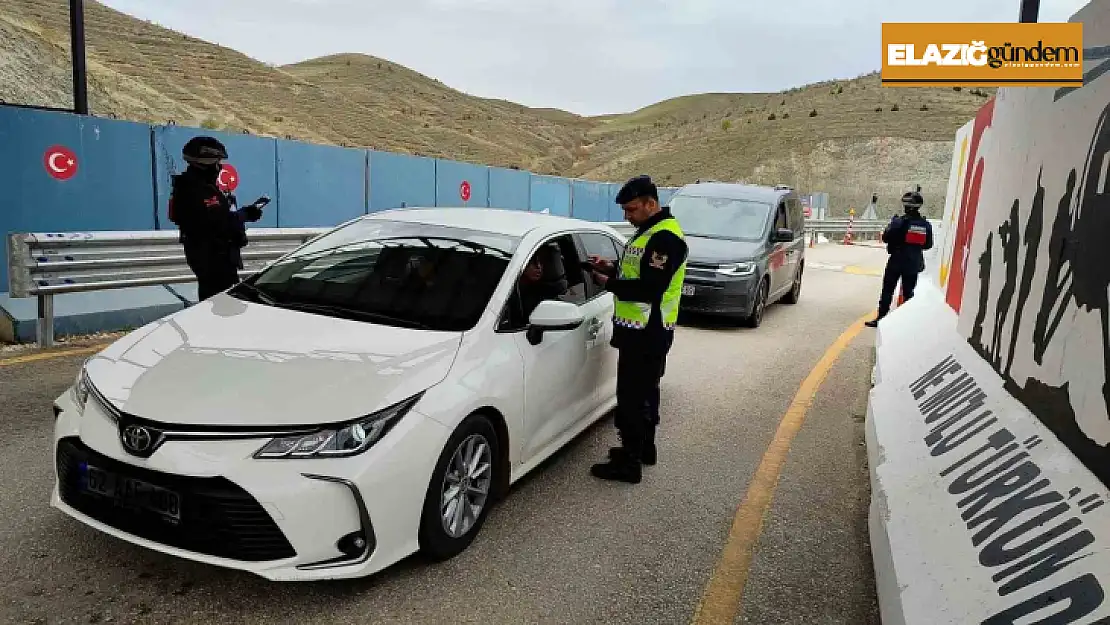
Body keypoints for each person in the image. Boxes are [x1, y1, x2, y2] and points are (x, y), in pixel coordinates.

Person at [586, 175, 688, 484]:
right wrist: (610, 267)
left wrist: (609, 284)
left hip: (647, 331)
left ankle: (629, 464)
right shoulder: (650, 233)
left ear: (651, 204)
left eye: (631, 209)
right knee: (645, 392)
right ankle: (644, 449)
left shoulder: (665, 238)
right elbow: (639, 270)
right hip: (641, 330)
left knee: (632, 397)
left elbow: (650, 288)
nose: (626, 217)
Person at [168, 136, 265, 301]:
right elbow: (217, 223)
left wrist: (240, 214)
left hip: (212, 256)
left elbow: (218, 217)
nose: (220, 167)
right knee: (222, 302)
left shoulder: (194, 187)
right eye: (217, 162)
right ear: (204, 165)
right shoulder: (197, 191)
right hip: (213, 259)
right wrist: (246, 214)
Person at [865, 190, 933, 327]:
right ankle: (906, 322)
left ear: (905, 206)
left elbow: (886, 238)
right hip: (913, 263)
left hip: (896, 261)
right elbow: (928, 245)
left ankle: (881, 318)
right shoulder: (925, 225)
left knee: (888, 290)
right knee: (909, 293)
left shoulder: (899, 222)